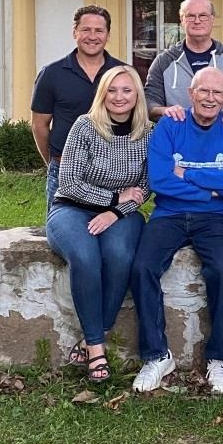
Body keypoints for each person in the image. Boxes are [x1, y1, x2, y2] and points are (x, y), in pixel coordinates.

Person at [130, 67, 223, 394]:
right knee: (142, 267)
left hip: (218, 217)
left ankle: (219, 358)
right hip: (169, 213)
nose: (210, 98)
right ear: (191, 93)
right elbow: (159, 180)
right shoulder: (170, 124)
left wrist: (186, 173)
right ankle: (157, 356)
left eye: (217, 93)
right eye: (203, 91)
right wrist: (213, 189)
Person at [45, 65, 150, 383]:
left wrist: (116, 212)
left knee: (119, 255)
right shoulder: (85, 126)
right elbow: (69, 182)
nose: (119, 97)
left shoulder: (149, 132)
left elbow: (145, 187)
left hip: (123, 215)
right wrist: (113, 198)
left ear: (137, 95)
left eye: (127, 90)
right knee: (86, 256)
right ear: (102, 94)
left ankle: (95, 332)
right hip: (71, 209)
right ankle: (96, 347)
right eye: (112, 90)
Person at [31, 5, 124, 209]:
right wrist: (54, 162)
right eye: (86, 30)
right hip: (63, 170)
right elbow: (39, 125)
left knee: (109, 228)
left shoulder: (122, 74)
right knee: (62, 228)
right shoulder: (51, 74)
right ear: (75, 32)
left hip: (111, 174)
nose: (92, 36)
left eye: (99, 30)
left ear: (108, 35)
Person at [144, 0, 223, 125]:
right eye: (190, 16)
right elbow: (149, 100)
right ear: (182, 20)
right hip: (177, 133)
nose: (197, 21)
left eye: (203, 16)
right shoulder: (163, 61)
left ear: (212, 19)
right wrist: (165, 111)